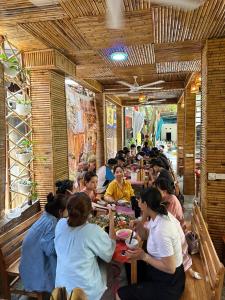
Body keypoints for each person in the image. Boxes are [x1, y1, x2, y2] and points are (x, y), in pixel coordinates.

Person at [117, 187, 185, 300]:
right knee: (130, 266)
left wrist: (144, 256)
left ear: (146, 203)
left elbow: (170, 268)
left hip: (169, 283)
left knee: (120, 293)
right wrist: (141, 222)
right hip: (161, 273)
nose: (138, 202)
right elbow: (144, 236)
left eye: (140, 200)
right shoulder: (158, 214)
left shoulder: (162, 229)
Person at [55, 192, 116, 300]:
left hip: (62, 288)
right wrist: (111, 220)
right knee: (108, 265)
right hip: (85, 293)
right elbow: (109, 252)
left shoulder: (60, 224)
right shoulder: (92, 231)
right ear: (89, 213)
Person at [20, 193, 68, 294]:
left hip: (29, 259)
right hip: (33, 267)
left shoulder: (47, 216)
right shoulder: (52, 223)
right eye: (68, 209)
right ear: (60, 211)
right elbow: (50, 250)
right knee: (64, 264)